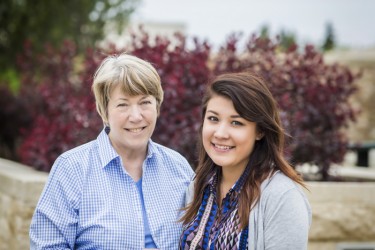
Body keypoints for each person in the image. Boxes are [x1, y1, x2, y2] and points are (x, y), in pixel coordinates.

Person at [29, 53, 194, 249]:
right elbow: (48, 246)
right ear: (104, 112)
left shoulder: (179, 167)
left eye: (145, 102)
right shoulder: (71, 169)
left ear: (157, 106)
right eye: (123, 104)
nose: (136, 116)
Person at [179, 71, 312, 249]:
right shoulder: (198, 186)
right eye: (213, 119)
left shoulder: (282, 197)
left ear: (260, 131)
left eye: (236, 123)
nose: (220, 133)